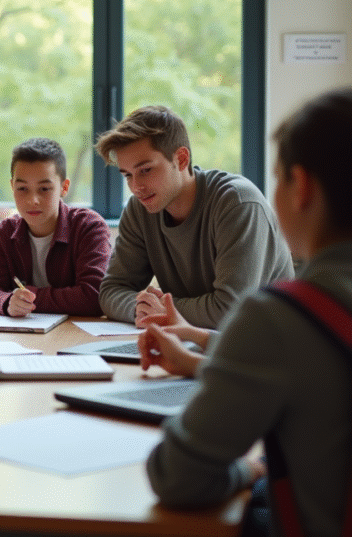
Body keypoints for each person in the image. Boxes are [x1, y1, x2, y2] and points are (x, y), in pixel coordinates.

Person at [143, 87, 352, 537]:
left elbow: (176, 477)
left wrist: (253, 470)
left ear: (302, 188)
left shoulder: (279, 319)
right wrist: (201, 354)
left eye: (277, 178)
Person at [95, 105, 293, 329]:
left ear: (181, 159)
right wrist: (140, 309)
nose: (135, 187)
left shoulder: (238, 203)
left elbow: (230, 310)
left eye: (146, 170)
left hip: (268, 349)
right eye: (128, 175)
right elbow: (111, 291)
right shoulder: (140, 209)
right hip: (197, 342)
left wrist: (164, 309)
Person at [0, 138, 111, 317]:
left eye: (44, 189)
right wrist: (8, 302)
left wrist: (32, 297)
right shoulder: (5, 232)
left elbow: (94, 296)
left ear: (64, 187)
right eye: (22, 188)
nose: (33, 200)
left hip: (74, 335)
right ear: (12, 186)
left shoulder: (89, 227)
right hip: (23, 336)